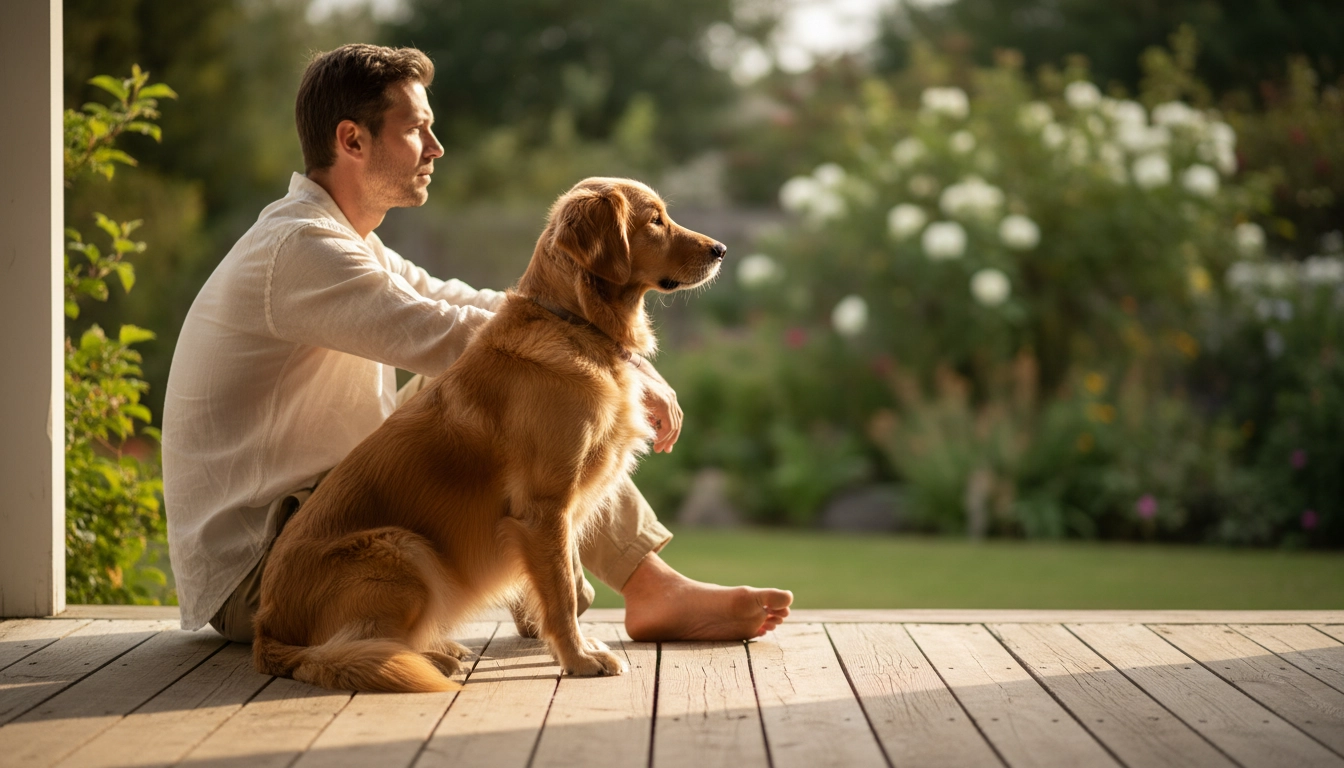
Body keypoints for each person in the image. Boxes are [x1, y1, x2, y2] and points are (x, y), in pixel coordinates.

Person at [162, 43, 792, 646]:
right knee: (512, 378)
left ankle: (567, 584)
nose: (436, 147)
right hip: (275, 570)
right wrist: (615, 361)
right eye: (416, 130)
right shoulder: (298, 250)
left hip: (327, 526)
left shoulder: (347, 241)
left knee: (516, 377)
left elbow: (469, 302)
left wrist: (612, 353)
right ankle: (642, 586)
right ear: (352, 139)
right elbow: (450, 334)